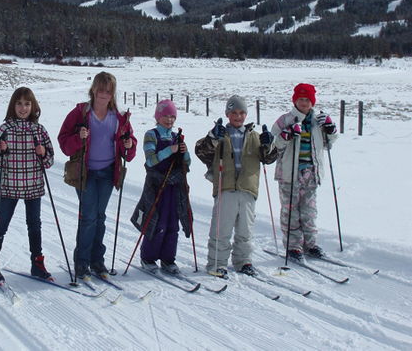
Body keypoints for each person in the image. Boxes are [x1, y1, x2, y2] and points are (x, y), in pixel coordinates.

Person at [58, 72, 136, 279]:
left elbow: (130, 146)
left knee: (100, 218)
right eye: (100, 89)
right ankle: (82, 262)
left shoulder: (119, 118)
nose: (104, 94)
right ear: (93, 89)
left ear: (112, 94)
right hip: (86, 173)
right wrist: (78, 137)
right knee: (89, 217)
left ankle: (96, 260)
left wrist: (128, 145)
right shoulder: (80, 114)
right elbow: (64, 142)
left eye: (108, 91)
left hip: (109, 172)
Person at [195, 95, 277, 278]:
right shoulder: (220, 135)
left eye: (241, 113)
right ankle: (217, 262)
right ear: (227, 114)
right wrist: (212, 138)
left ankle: (243, 261)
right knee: (221, 229)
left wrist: (268, 145)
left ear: (246, 114)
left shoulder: (255, 136)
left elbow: (269, 158)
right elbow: (201, 151)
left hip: (248, 189)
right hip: (226, 188)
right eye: (233, 113)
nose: (238, 116)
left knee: (245, 230)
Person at [0, 87, 55, 284]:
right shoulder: (5, 129)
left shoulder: (39, 130)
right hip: (9, 185)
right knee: (2, 225)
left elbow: (49, 162)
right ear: (12, 106)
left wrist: (42, 153)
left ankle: (37, 263)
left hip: (33, 184)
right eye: (19, 103)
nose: (23, 108)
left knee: (35, 225)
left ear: (33, 106)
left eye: (27, 103)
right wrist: (1, 150)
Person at [271, 83, 338, 261]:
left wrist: (331, 130)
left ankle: (310, 244)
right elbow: (272, 144)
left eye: (307, 99)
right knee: (290, 211)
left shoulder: (319, 120)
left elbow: (328, 143)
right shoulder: (286, 119)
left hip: (311, 171)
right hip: (288, 172)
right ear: (295, 100)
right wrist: (286, 135)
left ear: (312, 101)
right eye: (300, 99)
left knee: (309, 210)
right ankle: (293, 246)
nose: (304, 102)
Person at [130, 100, 191, 275]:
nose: (169, 120)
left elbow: (187, 163)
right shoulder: (152, 134)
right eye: (165, 116)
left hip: (174, 186)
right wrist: (170, 151)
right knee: (156, 222)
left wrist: (184, 152)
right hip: (156, 186)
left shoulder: (175, 137)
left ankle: (168, 259)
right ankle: (148, 258)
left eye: (172, 116)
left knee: (173, 223)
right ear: (158, 117)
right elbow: (150, 160)